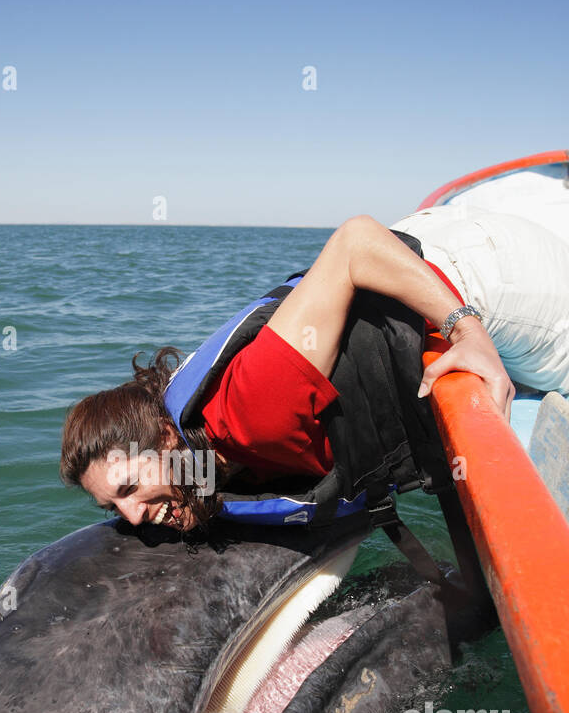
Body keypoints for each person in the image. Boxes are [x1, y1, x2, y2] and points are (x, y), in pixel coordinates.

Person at [60, 212, 568, 534]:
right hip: (425, 272)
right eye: (113, 509)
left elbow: (356, 243)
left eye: (128, 488)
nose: (133, 517)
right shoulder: (220, 469)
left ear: (164, 437)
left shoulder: (249, 415)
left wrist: (465, 330)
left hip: (475, 282)